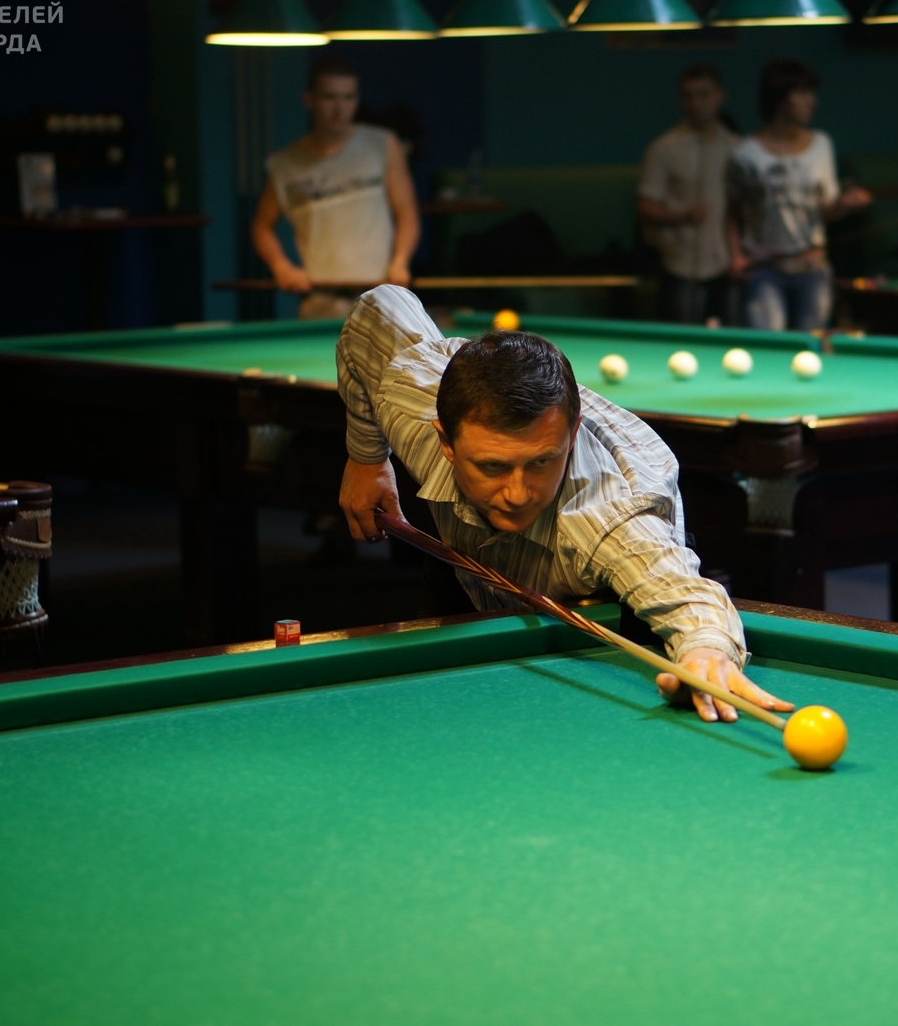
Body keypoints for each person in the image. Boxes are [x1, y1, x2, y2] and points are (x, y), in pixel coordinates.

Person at [336, 284, 792, 723]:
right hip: (467, 547)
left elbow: (682, 593)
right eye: (492, 466)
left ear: (570, 436)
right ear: (446, 444)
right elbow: (378, 310)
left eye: (541, 461)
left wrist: (706, 650)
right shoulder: (411, 404)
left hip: (601, 582)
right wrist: (367, 459)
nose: (518, 493)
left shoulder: (608, 519)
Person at [251, 57, 420, 319]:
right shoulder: (284, 164)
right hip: (320, 300)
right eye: (329, 97)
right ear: (309, 99)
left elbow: (407, 214)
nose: (339, 108)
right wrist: (281, 266)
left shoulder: (383, 145)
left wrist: (400, 261)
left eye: (348, 97)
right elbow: (262, 227)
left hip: (381, 297)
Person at [725, 59, 871, 332]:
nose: (812, 101)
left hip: (812, 268)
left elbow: (826, 211)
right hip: (764, 268)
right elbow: (732, 210)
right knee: (770, 347)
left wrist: (844, 204)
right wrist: (735, 254)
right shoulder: (745, 154)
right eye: (802, 93)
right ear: (780, 98)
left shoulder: (822, 145)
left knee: (812, 344)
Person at [637, 64, 739, 325]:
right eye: (688, 96)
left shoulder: (737, 148)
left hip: (726, 265)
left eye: (703, 94)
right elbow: (645, 206)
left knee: (729, 341)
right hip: (680, 267)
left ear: (720, 96)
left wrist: (739, 254)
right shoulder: (663, 148)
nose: (695, 103)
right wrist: (681, 215)